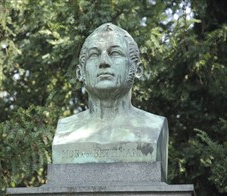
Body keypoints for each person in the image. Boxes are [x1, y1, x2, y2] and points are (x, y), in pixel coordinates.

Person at [52, 23, 168, 179]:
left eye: (115, 53)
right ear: (80, 73)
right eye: (94, 54)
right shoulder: (65, 132)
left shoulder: (153, 128)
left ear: (137, 70)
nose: (104, 62)